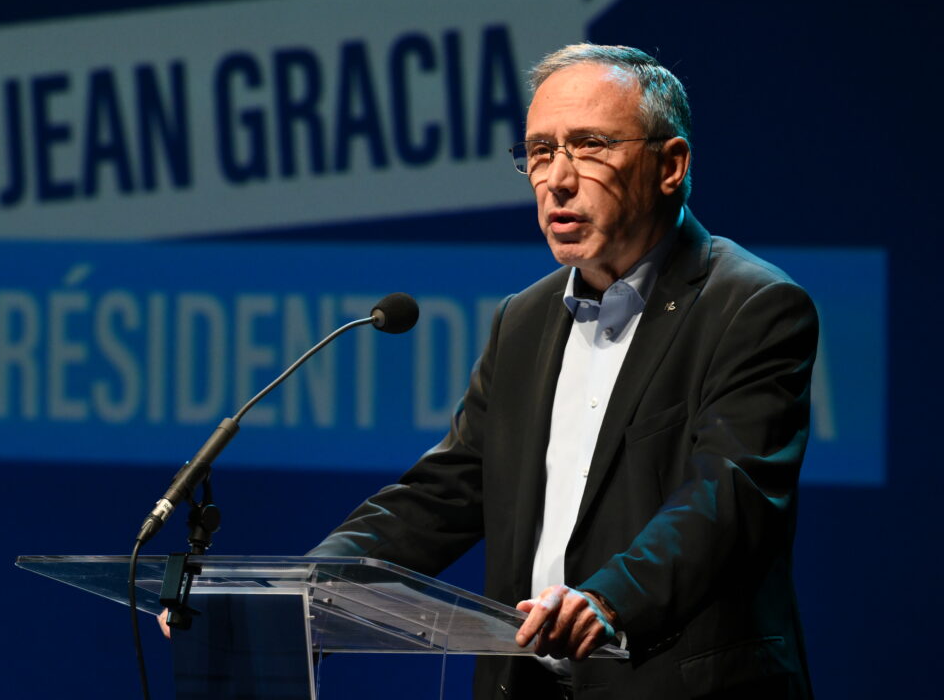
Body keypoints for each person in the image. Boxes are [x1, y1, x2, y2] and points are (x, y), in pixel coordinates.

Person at [310, 44, 817, 699]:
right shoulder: (523, 320)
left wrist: (607, 601)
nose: (557, 177)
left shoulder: (751, 306)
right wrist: (310, 581)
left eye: (589, 146)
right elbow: (447, 491)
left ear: (672, 165)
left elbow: (727, 498)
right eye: (541, 151)